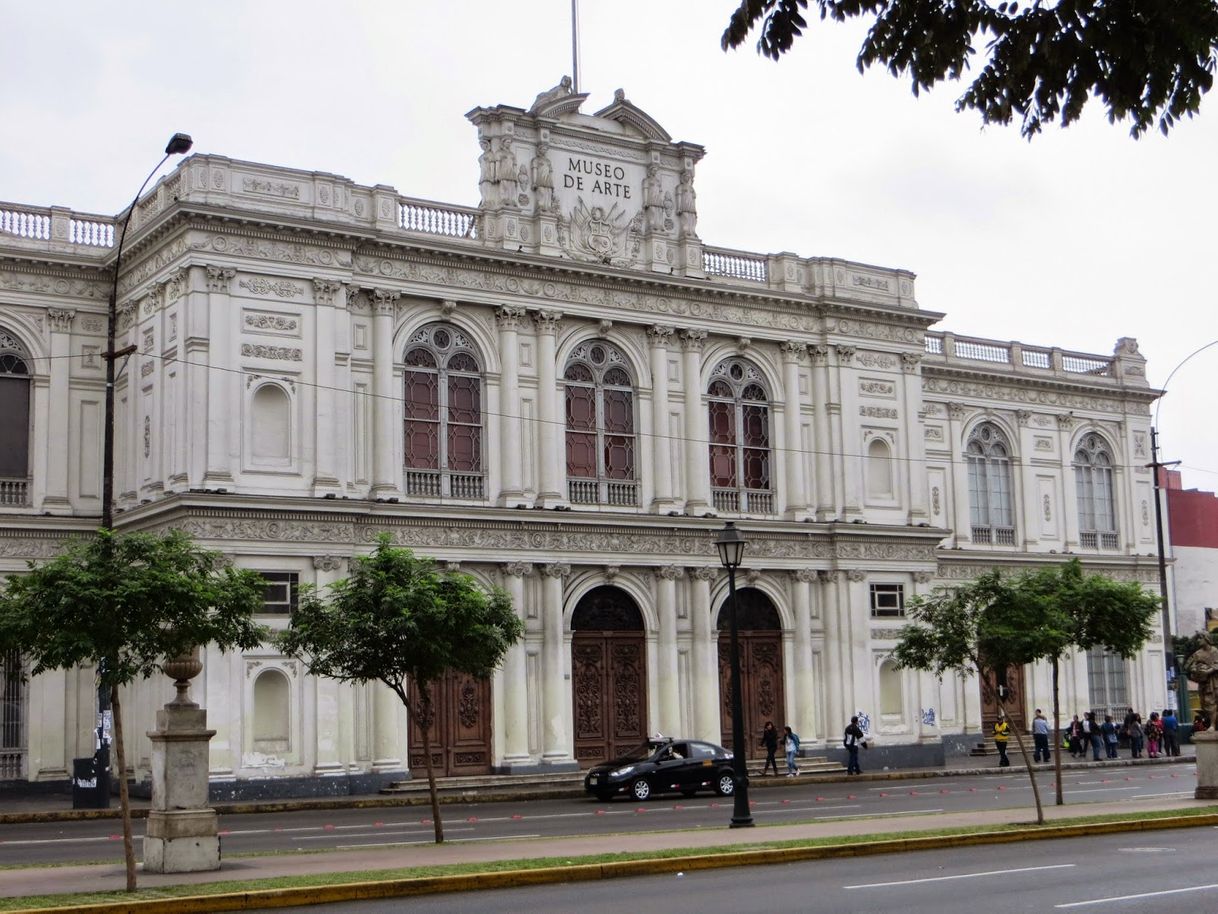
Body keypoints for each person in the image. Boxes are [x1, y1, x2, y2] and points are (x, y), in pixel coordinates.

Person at [1184, 631, 1218, 724]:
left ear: (1206, 639)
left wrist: (1209, 670)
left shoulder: (1214, 651)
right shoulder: (1197, 653)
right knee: (1204, 704)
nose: (1198, 640)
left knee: (1212, 702)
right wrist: (1194, 669)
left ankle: (1212, 726)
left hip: (1214, 681)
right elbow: (1188, 666)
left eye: (1200, 638)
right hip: (1203, 682)